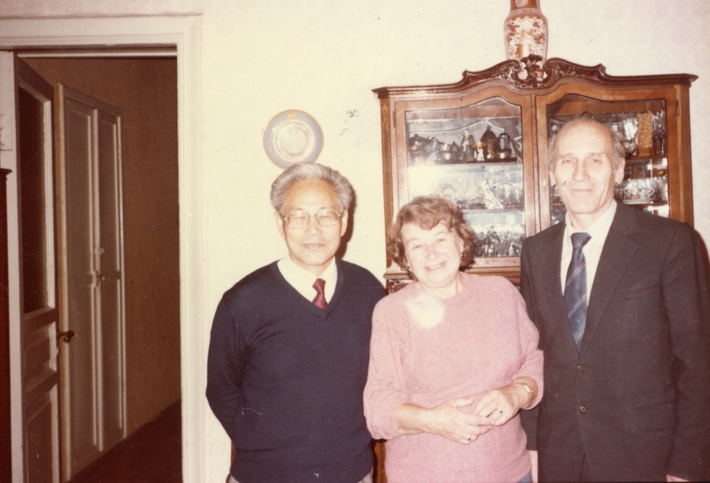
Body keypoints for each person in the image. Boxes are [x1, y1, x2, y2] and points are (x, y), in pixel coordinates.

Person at [520, 117, 710, 482]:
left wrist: (687, 465)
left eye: (595, 160)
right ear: (552, 173)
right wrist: (532, 446)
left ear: (619, 170)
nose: (580, 174)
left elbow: (698, 362)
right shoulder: (536, 251)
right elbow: (534, 354)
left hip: (645, 455)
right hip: (560, 454)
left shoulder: (669, 242)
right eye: (567, 161)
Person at [206, 162, 386, 483]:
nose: (313, 230)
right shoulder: (243, 301)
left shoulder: (369, 291)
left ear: (344, 221)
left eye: (325, 215)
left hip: (351, 473)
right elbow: (222, 391)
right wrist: (262, 447)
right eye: (299, 216)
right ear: (280, 223)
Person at [363, 195, 543, 483]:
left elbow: (533, 359)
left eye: (440, 239)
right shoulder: (392, 312)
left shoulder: (501, 293)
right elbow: (377, 410)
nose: (431, 254)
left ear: (460, 242)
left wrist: (518, 393)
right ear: (405, 258)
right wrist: (433, 421)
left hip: (510, 473)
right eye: (417, 245)